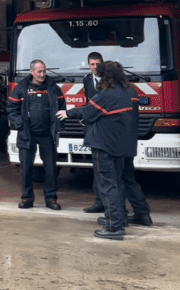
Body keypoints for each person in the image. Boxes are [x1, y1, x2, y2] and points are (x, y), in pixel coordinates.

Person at [58, 61, 151, 240]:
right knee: (124, 180)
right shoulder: (130, 91)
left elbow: (89, 112)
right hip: (125, 143)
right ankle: (139, 214)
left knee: (108, 184)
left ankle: (114, 225)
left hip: (105, 145)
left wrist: (68, 113)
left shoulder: (106, 95)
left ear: (105, 76)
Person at [8, 59, 63, 210]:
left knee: (51, 169)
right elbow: (11, 108)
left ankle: (51, 199)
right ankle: (27, 199)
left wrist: (59, 125)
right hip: (27, 135)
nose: (42, 74)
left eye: (44, 71)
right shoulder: (21, 88)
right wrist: (19, 124)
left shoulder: (53, 88)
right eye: (39, 71)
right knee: (26, 168)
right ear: (32, 72)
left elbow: (62, 108)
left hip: (48, 136)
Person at [81, 52, 106, 214]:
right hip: (92, 126)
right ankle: (99, 201)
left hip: (106, 126)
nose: (95, 67)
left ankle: (112, 206)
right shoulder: (86, 80)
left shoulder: (109, 80)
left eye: (97, 64)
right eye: (92, 64)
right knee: (96, 165)